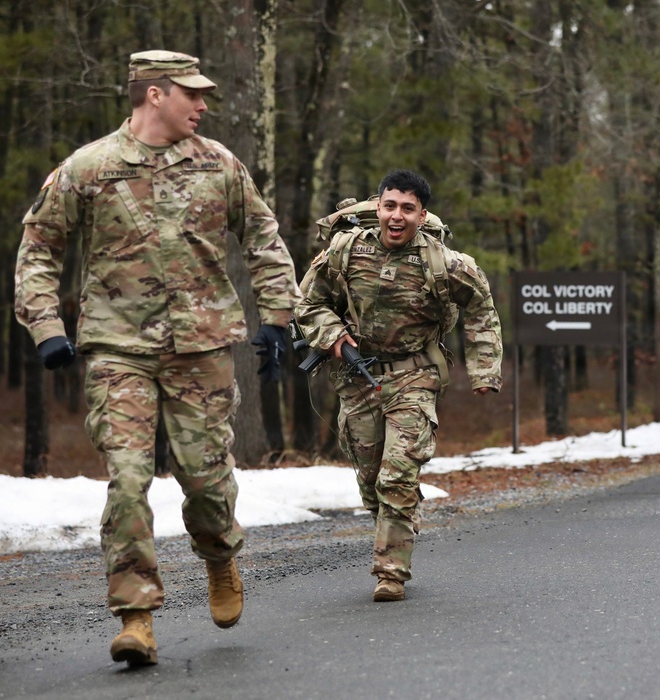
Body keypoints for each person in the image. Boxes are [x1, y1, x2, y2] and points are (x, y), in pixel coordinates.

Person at [14, 50, 300, 665]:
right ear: (154, 95)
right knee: (128, 477)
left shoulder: (219, 164)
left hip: (201, 348)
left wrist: (279, 319)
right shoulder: (88, 168)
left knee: (205, 480)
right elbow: (38, 247)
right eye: (191, 95)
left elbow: (264, 239)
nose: (202, 106)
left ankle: (220, 554)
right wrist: (45, 326)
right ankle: (136, 614)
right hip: (119, 347)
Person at [295, 169, 502, 602]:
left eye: (408, 209)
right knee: (371, 481)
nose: (396, 216)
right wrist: (330, 333)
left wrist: (484, 370)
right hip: (358, 379)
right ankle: (398, 519)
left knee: (397, 476)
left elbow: (481, 305)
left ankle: (390, 573)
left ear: (421, 215)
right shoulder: (346, 249)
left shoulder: (445, 263)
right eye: (390, 206)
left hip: (415, 376)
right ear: (378, 207)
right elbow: (308, 302)